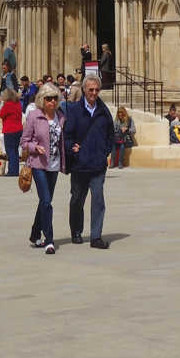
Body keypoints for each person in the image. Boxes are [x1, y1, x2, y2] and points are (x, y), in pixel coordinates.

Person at [62, 72, 115, 249]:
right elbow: (67, 136)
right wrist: (72, 148)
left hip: (98, 164)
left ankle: (96, 236)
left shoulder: (103, 111)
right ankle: (76, 231)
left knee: (98, 199)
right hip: (80, 164)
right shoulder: (74, 110)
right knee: (77, 198)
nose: (94, 93)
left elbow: (110, 134)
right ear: (84, 89)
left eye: (97, 90)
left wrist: (104, 152)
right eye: (91, 89)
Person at [20, 83, 66, 255]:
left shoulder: (61, 117)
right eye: (48, 98)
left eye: (55, 98)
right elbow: (24, 141)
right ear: (42, 100)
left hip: (54, 165)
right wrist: (34, 147)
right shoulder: (34, 116)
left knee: (44, 202)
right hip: (38, 164)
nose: (52, 101)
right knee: (46, 201)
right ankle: (49, 240)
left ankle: (34, 234)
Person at [0, 89, 24, 176]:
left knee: (10, 151)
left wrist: (2, 104)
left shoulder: (7, 105)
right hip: (18, 129)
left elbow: (1, 115)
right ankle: (15, 170)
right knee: (15, 151)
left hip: (10, 130)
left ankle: (12, 171)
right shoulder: (18, 103)